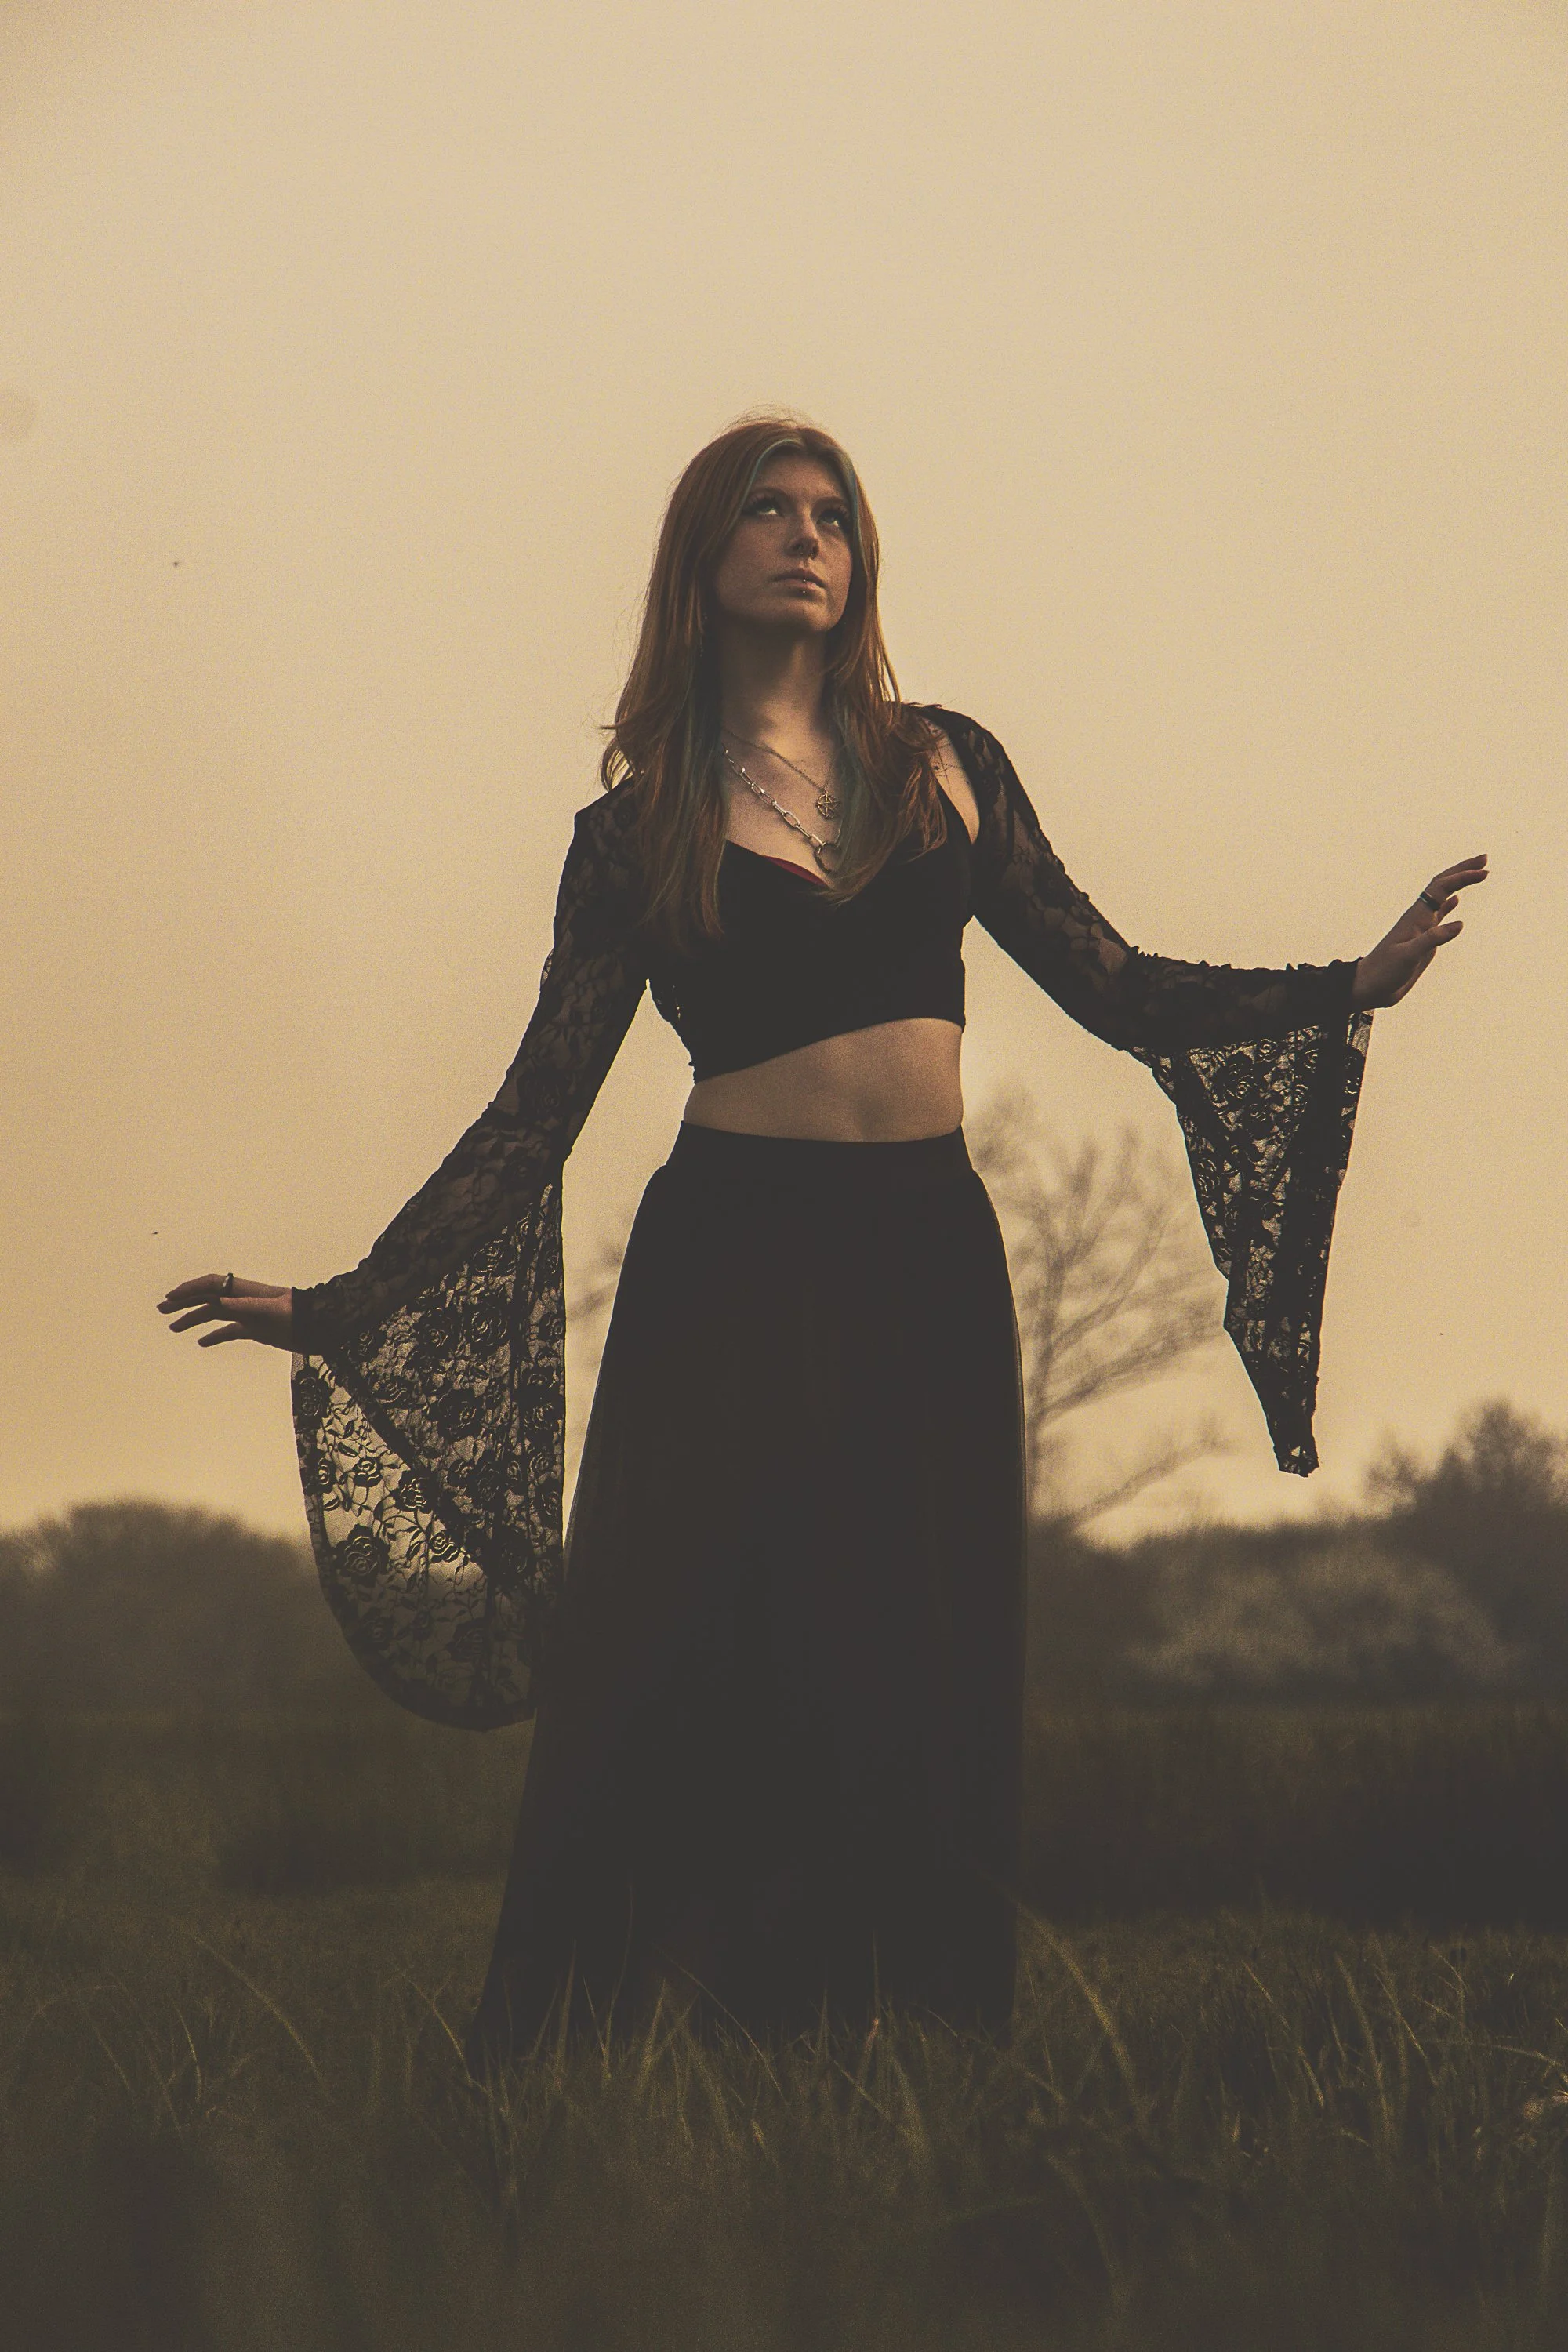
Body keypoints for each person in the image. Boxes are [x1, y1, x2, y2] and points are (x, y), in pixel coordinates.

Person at [160, 414, 1486, 2060]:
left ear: (859, 560)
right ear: (702, 562)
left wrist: (1340, 991)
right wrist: (351, 1304)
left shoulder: (946, 764)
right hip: (729, 1264)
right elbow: (536, 1114)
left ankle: (889, 2041)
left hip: (927, 1259)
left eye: (832, 516)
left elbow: (1113, 982)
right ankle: (605, 2043)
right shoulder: (634, 834)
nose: (806, 536)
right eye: (768, 513)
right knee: (686, 1646)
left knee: (907, 1648)